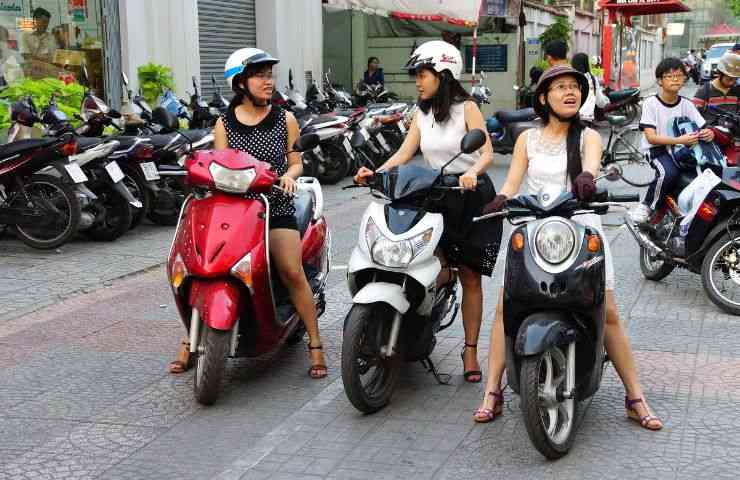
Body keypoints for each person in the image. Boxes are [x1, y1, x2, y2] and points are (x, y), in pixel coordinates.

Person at [473, 65, 663, 431]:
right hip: (535, 229)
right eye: (560, 87)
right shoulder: (527, 139)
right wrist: (498, 200)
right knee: (504, 308)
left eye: (575, 87)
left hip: (580, 226)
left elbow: (590, 167)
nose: (569, 92)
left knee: (608, 312)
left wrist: (587, 179)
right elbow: (512, 182)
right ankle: (492, 391)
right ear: (544, 97)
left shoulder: (588, 136)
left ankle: (635, 396)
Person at [168, 48, 328, 379]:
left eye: (269, 75)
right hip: (234, 208)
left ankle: (315, 343)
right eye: (260, 75)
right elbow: (220, 163)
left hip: (275, 204)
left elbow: (296, 161)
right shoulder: (224, 123)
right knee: (203, 266)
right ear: (241, 82)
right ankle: (190, 339)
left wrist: (288, 176)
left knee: (291, 270)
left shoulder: (286, 119)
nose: (268, 82)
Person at [354, 40, 502, 383]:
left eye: (422, 74)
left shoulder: (467, 108)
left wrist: (471, 172)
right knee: (421, 261)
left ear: (444, 73)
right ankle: (412, 327)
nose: (417, 82)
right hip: (435, 195)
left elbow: (487, 154)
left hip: (468, 195)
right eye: (416, 76)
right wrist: (376, 173)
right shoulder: (420, 112)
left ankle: (469, 350)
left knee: (469, 276)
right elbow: (405, 153)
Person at [629, 58, 714, 225]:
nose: (675, 79)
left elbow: (703, 127)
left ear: (684, 79)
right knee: (669, 173)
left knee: (705, 174)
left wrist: (709, 133)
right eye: (669, 76)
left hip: (681, 151)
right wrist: (678, 140)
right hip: (657, 150)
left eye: (679, 75)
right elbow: (651, 137)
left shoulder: (687, 105)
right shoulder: (651, 104)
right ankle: (647, 205)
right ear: (660, 81)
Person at [693, 51, 740, 123]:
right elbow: (694, 117)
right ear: (719, 74)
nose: (732, 82)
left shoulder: (737, 90)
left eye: (735, 79)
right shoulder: (704, 91)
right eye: (729, 79)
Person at [571, 52, 601, 122]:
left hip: (577, 116)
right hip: (589, 117)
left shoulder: (574, 78)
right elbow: (598, 99)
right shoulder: (591, 77)